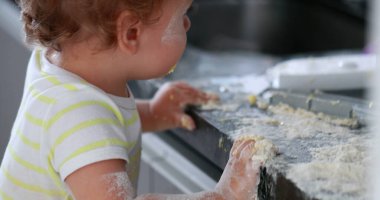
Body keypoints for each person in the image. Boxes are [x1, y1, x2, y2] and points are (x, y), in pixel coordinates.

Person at [0, 0, 260, 199]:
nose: (188, 25)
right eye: (183, 15)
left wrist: (153, 113)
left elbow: (97, 128)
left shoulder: (57, 64)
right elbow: (85, 128)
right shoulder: (76, 115)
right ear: (131, 34)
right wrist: (223, 195)